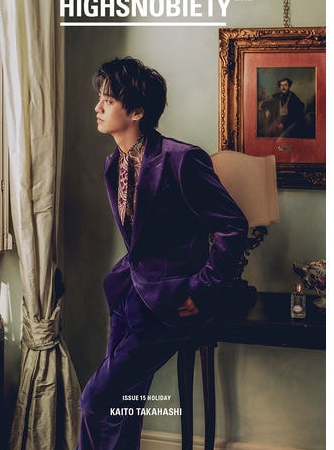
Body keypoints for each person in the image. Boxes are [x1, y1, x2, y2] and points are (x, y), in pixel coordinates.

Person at [77, 57, 248, 450]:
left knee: (95, 400)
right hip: (127, 296)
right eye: (99, 98)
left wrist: (200, 289)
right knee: (123, 408)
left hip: (170, 304)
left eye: (108, 100)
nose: (97, 107)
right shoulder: (112, 164)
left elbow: (232, 226)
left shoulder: (182, 159)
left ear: (137, 111)